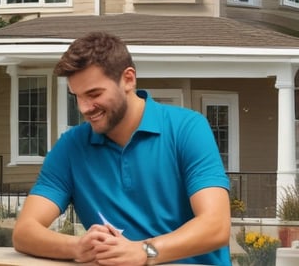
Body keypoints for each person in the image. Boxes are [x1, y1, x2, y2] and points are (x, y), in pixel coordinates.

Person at [12, 32, 231, 265]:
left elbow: (216, 226)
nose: (84, 108)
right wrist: (76, 247)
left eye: (94, 94)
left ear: (128, 79)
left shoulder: (187, 128)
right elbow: (24, 232)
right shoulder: (71, 147)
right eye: (76, 96)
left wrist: (145, 251)